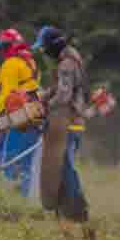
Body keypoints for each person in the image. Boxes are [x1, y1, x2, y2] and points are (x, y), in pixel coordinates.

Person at [32, 26, 89, 222]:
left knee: (65, 165)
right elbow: (60, 88)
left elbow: (64, 95)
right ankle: (67, 211)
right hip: (71, 119)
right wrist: (43, 95)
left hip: (69, 120)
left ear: (54, 45)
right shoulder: (71, 59)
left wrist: (45, 105)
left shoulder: (66, 64)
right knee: (61, 165)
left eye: (45, 47)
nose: (44, 52)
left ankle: (78, 210)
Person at [0, 28, 42, 197]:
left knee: (11, 160)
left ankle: (9, 202)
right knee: (25, 163)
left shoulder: (10, 64)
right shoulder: (29, 61)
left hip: (21, 115)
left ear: (8, 47)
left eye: (3, 48)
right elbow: (24, 85)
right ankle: (21, 202)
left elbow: (7, 93)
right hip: (36, 112)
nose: (1, 53)